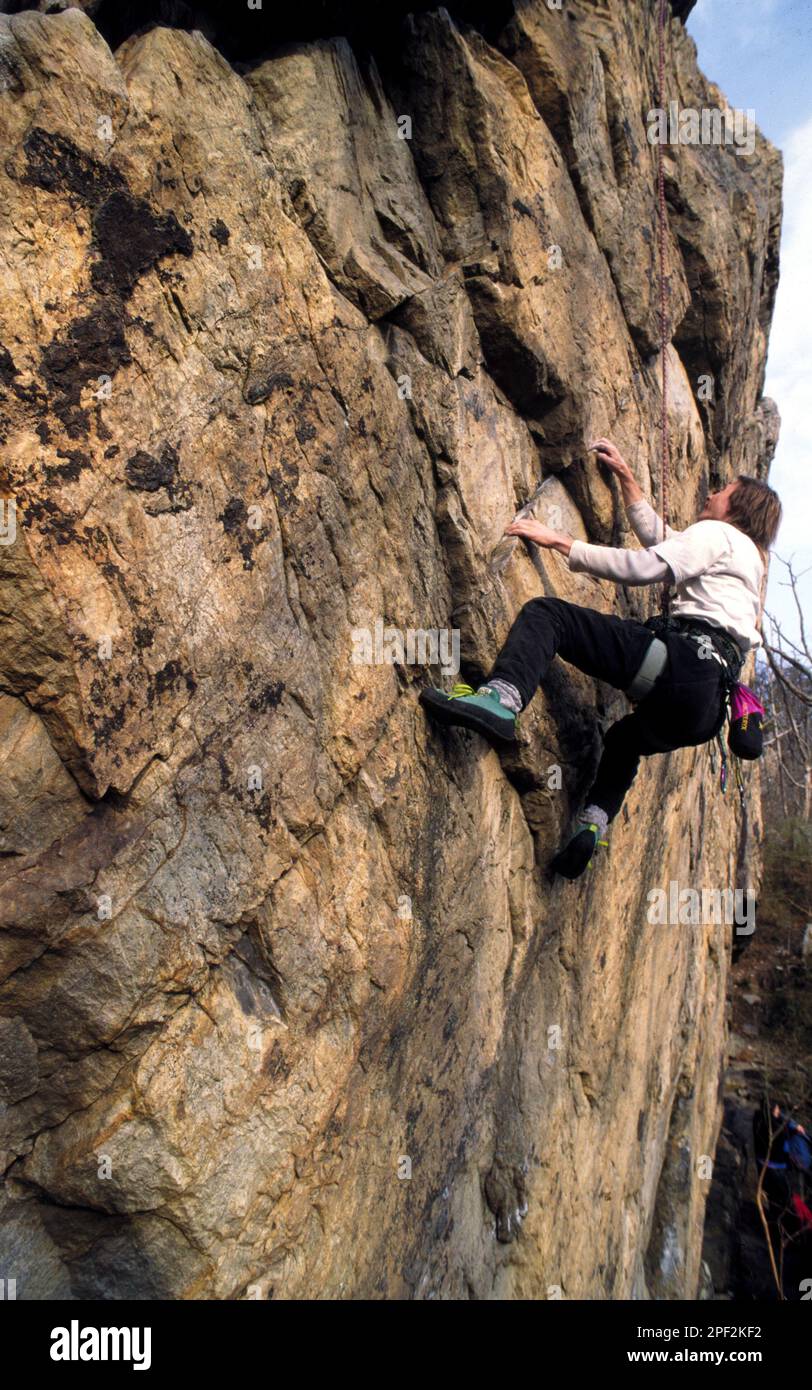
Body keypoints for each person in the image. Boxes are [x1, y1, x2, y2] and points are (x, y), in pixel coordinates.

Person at [420, 439, 782, 878]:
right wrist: (628, 480)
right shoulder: (751, 562)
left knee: (548, 615)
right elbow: (665, 541)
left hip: (680, 665)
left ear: (737, 506)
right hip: (705, 712)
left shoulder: (720, 534)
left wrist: (560, 541)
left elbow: (646, 567)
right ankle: (593, 824)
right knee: (625, 741)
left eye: (722, 490)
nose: (711, 494)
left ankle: (501, 700)